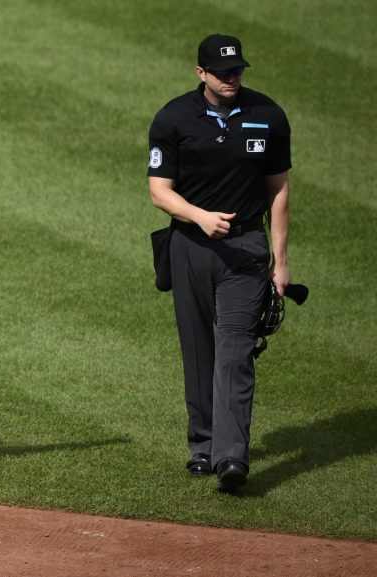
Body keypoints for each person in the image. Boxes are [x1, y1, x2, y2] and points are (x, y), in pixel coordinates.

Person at [147, 34, 292, 492]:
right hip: (190, 246)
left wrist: (281, 261)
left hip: (247, 249)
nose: (232, 79)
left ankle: (232, 458)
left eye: (238, 71)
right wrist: (200, 217)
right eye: (223, 72)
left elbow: (279, 190)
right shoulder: (174, 118)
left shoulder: (267, 116)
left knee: (234, 350)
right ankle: (203, 445)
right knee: (198, 349)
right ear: (201, 73)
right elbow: (159, 190)